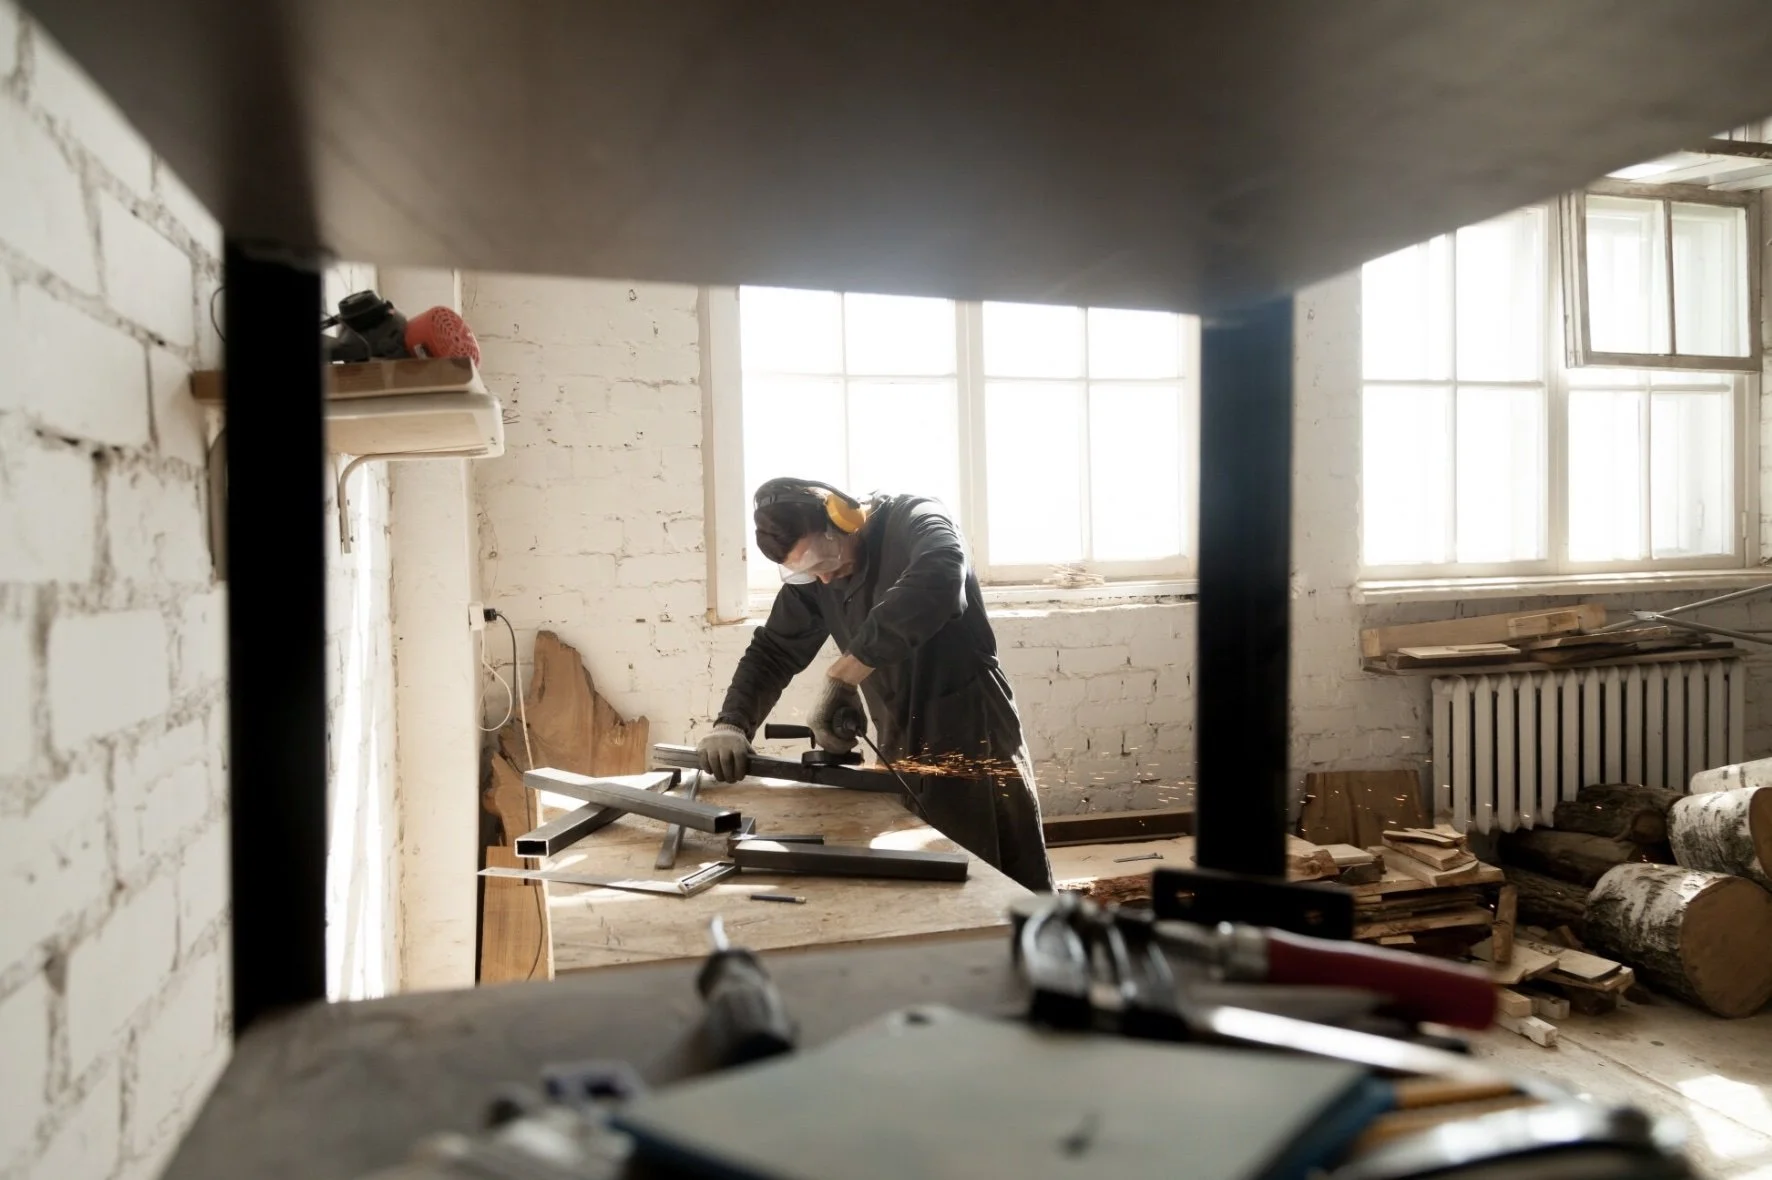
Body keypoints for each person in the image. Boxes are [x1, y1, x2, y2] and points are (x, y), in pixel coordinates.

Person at [696, 478, 1053, 892]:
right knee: (931, 866)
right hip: (898, 728)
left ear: (843, 517)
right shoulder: (819, 576)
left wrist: (843, 674)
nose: (824, 579)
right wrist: (732, 723)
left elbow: (940, 579)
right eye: (808, 571)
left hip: (971, 720)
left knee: (999, 867)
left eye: (824, 559)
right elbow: (774, 649)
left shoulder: (916, 519)